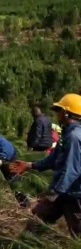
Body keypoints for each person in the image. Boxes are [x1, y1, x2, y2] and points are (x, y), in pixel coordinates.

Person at [10, 94, 81, 237]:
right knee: (38, 219)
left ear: (66, 113)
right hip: (62, 191)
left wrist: (52, 194)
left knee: (78, 234)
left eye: (58, 110)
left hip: (74, 194)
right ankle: (24, 247)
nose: (57, 114)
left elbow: (72, 170)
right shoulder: (67, 133)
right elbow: (53, 158)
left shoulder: (74, 137)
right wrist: (29, 165)